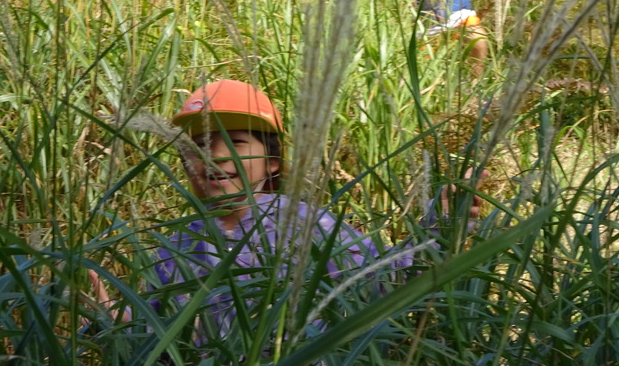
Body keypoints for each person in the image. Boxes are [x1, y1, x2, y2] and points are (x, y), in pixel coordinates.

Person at [90, 79, 485, 337]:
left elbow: (382, 277)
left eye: (237, 142)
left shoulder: (300, 222)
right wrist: (113, 317)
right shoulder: (180, 242)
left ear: (273, 163)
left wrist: (439, 226)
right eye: (201, 144)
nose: (214, 155)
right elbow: (155, 327)